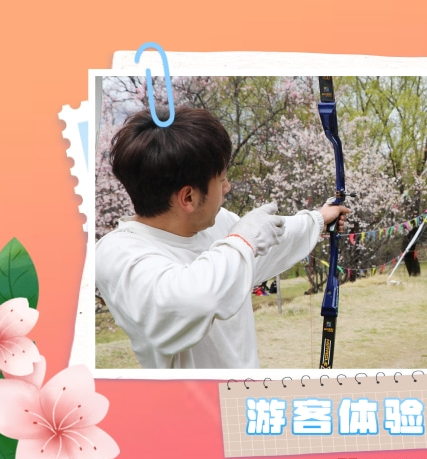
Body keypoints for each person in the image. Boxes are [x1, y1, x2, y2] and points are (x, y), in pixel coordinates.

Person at [95, 107, 348, 369]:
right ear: (188, 197)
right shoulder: (118, 253)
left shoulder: (220, 224)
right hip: (189, 396)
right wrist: (245, 240)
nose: (227, 187)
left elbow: (267, 244)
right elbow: (193, 300)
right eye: (222, 180)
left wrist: (318, 220)